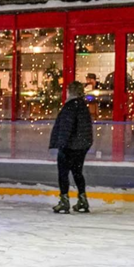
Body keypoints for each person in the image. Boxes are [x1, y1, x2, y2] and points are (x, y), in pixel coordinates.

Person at [49, 81, 94, 214]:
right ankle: (82, 199)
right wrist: (85, 144)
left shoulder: (70, 107)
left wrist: (61, 144)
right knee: (77, 172)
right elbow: (86, 129)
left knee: (63, 173)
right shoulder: (83, 106)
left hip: (69, 146)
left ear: (71, 91)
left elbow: (66, 127)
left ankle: (64, 200)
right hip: (81, 146)